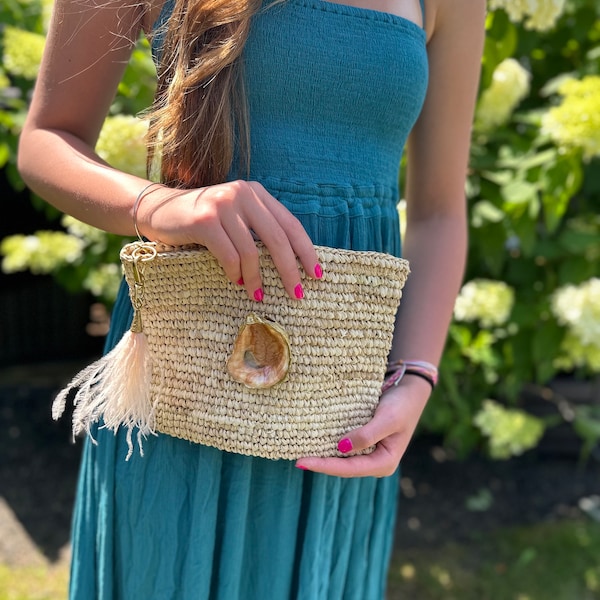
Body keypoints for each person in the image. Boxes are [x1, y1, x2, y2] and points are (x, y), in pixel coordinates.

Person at [17, 0, 486, 596]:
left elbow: (440, 210)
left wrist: (417, 377)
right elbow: (48, 139)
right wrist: (160, 206)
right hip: (184, 387)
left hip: (339, 410)